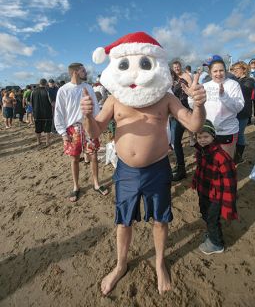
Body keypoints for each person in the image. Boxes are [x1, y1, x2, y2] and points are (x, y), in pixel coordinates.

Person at [81, 32, 206, 295]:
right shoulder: (116, 98)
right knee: (123, 221)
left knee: (160, 220)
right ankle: (120, 264)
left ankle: (160, 262)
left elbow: (194, 125)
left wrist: (199, 104)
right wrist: (87, 116)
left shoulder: (165, 97)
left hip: (158, 167)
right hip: (125, 170)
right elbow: (95, 131)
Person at [54, 63, 109, 202]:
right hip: (73, 129)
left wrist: (97, 126)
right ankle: (76, 187)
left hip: (89, 125)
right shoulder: (63, 90)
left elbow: (95, 108)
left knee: (94, 155)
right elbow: (59, 112)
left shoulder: (88, 87)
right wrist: (63, 133)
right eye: (83, 70)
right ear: (75, 72)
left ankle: (96, 184)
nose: (86, 72)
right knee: (74, 158)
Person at [192, 120, 238, 255]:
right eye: (199, 137)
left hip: (216, 196)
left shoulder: (221, 156)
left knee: (212, 219)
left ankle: (216, 244)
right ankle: (212, 234)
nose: (202, 140)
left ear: (213, 136)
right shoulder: (200, 152)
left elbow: (230, 182)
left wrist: (228, 204)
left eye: (206, 136)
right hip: (204, 191)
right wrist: (195, 183)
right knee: (205, 214)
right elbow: (199, 170)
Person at [192, 55, 244, 158]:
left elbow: (238, 107)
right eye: (215, 71)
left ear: (225, 71)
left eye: (221, 70)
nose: (218, 74)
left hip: (227, 131)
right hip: (208, 132)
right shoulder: (205, 86)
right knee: (211, 162)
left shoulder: (233, 85)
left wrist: (224, 96)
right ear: (210, 72)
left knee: (226, 162)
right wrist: (192, 97)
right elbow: (195, 106)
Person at [170, 60, 192, 181]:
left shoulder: (186, 76)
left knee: (176, 141)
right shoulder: (171, 79)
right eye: (174, 67)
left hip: (184, 110)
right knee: (175, 141)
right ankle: (180, 166)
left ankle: (182, 169)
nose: (177, 68)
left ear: (181, 66)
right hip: (174, 112)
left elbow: (192, 88)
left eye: (178, 66)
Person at [232, 62, 255, 164]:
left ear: (244, 69)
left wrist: (231, 80)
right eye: (233, 69)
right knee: (233, 134)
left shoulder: (249, 80)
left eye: (236, 69)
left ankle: (238, 156)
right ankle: (233, 154)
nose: (234, 71)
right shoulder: (235, 80)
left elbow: (243, 89)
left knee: (239, 134)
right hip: (233, 112)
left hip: (243, 113)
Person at [31, 78, 53, 146]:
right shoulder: (47, 91)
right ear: (46, 83)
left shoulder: (33, 91)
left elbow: (31, 102)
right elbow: (51, 102)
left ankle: (38, 141)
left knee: (38, 128)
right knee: (47, 128)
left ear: (39, 83)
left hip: (37, 112)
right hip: (47, 112)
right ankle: (47, 142)